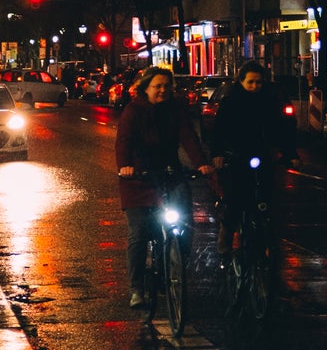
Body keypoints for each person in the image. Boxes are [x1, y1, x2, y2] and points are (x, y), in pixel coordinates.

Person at [115, 64, 211, 309]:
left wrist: (201, 163)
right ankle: (136, 287)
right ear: (145, 89)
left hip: (169, 173)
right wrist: (126, 166)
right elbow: (124, 142)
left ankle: (173, 265)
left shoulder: (176, 110)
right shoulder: (133, 111)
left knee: (184, 223)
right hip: (138, 178)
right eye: (157, 86)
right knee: (138, 233)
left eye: (167, 86)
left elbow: (188, 137)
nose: (163, 90)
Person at [209, 60, 292, 254]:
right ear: (241, 81)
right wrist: (218, 153)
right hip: (236, 156)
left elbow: (282, 129)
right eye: (251, 82)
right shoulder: (231, 102)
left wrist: (288, 152)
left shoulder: (269, 102)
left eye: (259, 82)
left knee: (267, 199)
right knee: (234, 199)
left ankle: (269, 242)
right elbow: (219, 130)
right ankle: (226, 235)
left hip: (261, 155)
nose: (255, 86)